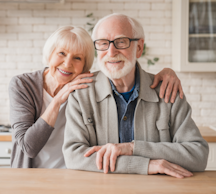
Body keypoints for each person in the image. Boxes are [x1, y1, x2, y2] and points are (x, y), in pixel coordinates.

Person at [9, 25, 184, 169]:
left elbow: (122, 71)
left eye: (77, 58)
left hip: (74, 174)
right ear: (50, 53)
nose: (67, 64)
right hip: (31, 175)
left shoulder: (84, 86)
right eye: (61, 53)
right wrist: (57, 100)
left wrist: (168, 72)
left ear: (85, 66)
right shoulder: (23, 85)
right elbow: (29, 147)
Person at [62, 14, 209, 178]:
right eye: (103, 43)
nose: (111, 52)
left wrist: (132, 148)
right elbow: (73, 156)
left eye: (121, 42)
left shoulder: (168, 91)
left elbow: (198, 155)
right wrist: (145, 165)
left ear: (139, 48)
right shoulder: (81, 93)